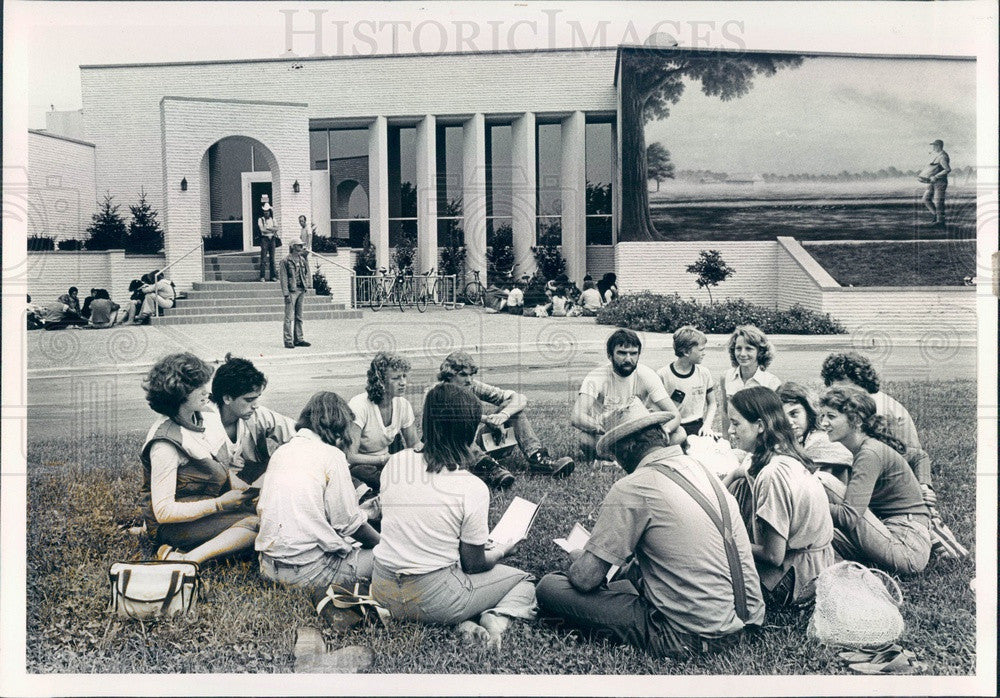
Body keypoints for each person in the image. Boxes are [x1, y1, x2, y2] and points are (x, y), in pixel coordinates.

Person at [536, 399, 765, 659]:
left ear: (625, 450)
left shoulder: (633, 486)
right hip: (749, 622)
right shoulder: (701, 468)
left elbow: (585, 580)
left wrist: (578, 557)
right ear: (663, 435)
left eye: (615, 453)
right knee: (632, 572)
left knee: (549, 587)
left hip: (691, 637)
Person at [371, 384, 537, 649]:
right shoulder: (470, 487)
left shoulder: (396, 462)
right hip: (434, 597)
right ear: (469, 430)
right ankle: (496, 618)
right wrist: (503, 551)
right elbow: (474, 565)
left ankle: (462, 621)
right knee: (524, 580)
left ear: (427, 420)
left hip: (382, 589)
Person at [256, 391, 380, 596]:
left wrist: (362, 513)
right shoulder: (332, 455)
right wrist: (380, 544)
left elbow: (307, 512)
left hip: (269, 567)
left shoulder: (282, 451)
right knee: (390, 556)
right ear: (340, 428)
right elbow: (349, 525)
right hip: (308, 571)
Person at [139, 353, 258, 564]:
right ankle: (185, 559)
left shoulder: (208, 417)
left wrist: (246, 492)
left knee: (272, 513)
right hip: (172, 526)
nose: (207, 391)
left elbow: (223, 468)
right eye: (199, 387)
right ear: (179, 394)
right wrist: (220, 505)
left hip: (207, 508)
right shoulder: (164, 443)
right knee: (260, 526)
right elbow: (164, 512)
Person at [722, 387, 835, 606]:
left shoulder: (772, 475)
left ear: (760, 426)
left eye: (736, 423)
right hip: (817, 566)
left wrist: (727, 541)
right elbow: (742, 470)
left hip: (795, 579)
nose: (730, 431)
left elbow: (773, 556)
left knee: (708, 574)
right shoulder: (782, 455)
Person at [815, 387, 932, 575]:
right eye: (822, 417)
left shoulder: (869, 453)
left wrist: (808, 503)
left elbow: (848, 516)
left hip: (907, 547)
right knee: (819, 535)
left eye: (831, 416)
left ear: (857, 421)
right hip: (894, 535)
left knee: (824, 481)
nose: (824, 424)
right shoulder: (867, 448)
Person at [438, 351, 575, 486]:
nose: (468, 380)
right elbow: (454, 417)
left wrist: (503, 416)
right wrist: (486, 420)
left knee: (514, 409)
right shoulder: (436, 392)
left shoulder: (472, 386)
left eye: (471, 375)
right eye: (463, 375)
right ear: (449, 375)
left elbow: (520, 398)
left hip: (478, 443)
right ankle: (489, 469)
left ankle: (538, 459)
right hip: (453, 451)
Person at [819, 351, 932, 486]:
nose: (838, 395)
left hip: (893, 475)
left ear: (860, 383)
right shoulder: (869, 401)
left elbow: (906, 456)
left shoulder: (875, 408)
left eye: (843, 389)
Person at [572, 329, 681, 463]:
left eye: (633, 354)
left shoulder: (646, 374)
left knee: (680, 433)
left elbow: (675, 414)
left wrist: (664, 430)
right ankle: (639, 457)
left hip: (640, 435)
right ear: (609, 355)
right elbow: (577, 416)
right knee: (585, 439)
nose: (628, 359)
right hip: (609, 434)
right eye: (622, 353)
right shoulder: (596, 376)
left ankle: (618, 459)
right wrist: (605, 429)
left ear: (639, 354)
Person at [209, 353, 296, 487]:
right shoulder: (204, 421)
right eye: (249, 400)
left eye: (257, 397)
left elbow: (296, 431)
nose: (255, 405)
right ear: (227, 398)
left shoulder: (257, 414)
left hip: (247, 482)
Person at [345, 352, 421, 492]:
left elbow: (414, 443)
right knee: (392, 481)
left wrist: (432, 452)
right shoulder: (360, 405)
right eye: (396, 378)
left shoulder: (403, 405)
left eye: (404, 376)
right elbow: (351, 456)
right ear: (380, 380)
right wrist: (385, 460)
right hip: (361, 467)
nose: (403, 382)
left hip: (387, 463)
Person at [777, 382, 853, 482]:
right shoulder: (792, 442)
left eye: (794, 414)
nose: (789, 422)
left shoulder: (826, 440)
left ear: (808, 412)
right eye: (783, 417)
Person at [718, 325, 780, 435]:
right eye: (738, 348)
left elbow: (774, 420)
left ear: (760, 352)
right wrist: (725, 439)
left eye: (749, 349)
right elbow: (725, 411)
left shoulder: (771, 382)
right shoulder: (726, 377)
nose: (742, 354)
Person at [657, 325, 718, 437]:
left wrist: (707, 426)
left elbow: (712, 403)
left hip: (697, 427)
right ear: (686, 352)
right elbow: (655, 409)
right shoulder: (663, 374)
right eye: (701, 350)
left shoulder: (704, 373)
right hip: (673, 428)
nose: (704, 353)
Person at [279, 239, 311, 349]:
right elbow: (283, 278)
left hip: (301, 289)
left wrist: (306, 285)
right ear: (293, 246)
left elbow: (306, 272)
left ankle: (299, 339)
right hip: (292, 291)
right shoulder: (286, 261)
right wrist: (286, 293)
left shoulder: (302, 259)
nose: (301, 247)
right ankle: (288, 340)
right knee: (289, 317)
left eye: (302, 245)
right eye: (299, 245)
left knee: (299, 316)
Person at [920, 139, 951, 227]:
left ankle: (940, 221)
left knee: (938, 202)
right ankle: (936, 215)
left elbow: (947, 169)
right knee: (926, 199)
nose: (933, 147)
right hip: (932, 182)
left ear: (938, 146)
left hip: (940, 182)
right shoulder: (937, 155)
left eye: (934, 145)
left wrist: (936, 176)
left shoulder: (943, 156)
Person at [258, 205, 279, 282]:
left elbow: (277, 228)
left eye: (267, 211)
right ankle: (262, 276)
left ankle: (273, 276)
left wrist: (269, 228)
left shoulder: (273, 219)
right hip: (264, 239)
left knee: (272, 258)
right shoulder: (261, 219)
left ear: (270, 212)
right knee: (263, 258)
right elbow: (262, 230)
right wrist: (272, 230)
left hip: (272, 239)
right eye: (264, 211)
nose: (266, 213)